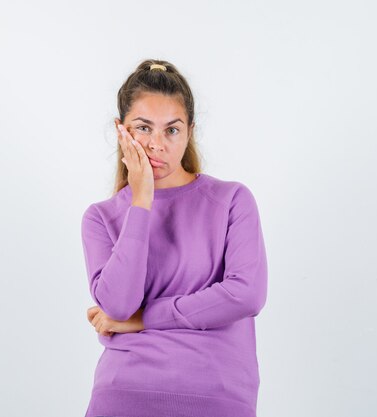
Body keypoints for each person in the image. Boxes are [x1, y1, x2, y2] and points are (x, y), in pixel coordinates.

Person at [80, 59, 268, 417]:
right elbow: (119, 306)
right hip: (123, 394)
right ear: (122, 131)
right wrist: (141, 202)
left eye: (172, 130)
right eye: (143, 128)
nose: (156, 145)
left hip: (216, 394)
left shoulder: (231, 200)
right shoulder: (101, 217)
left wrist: (144, 318)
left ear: (190, 132)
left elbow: (246, 295)